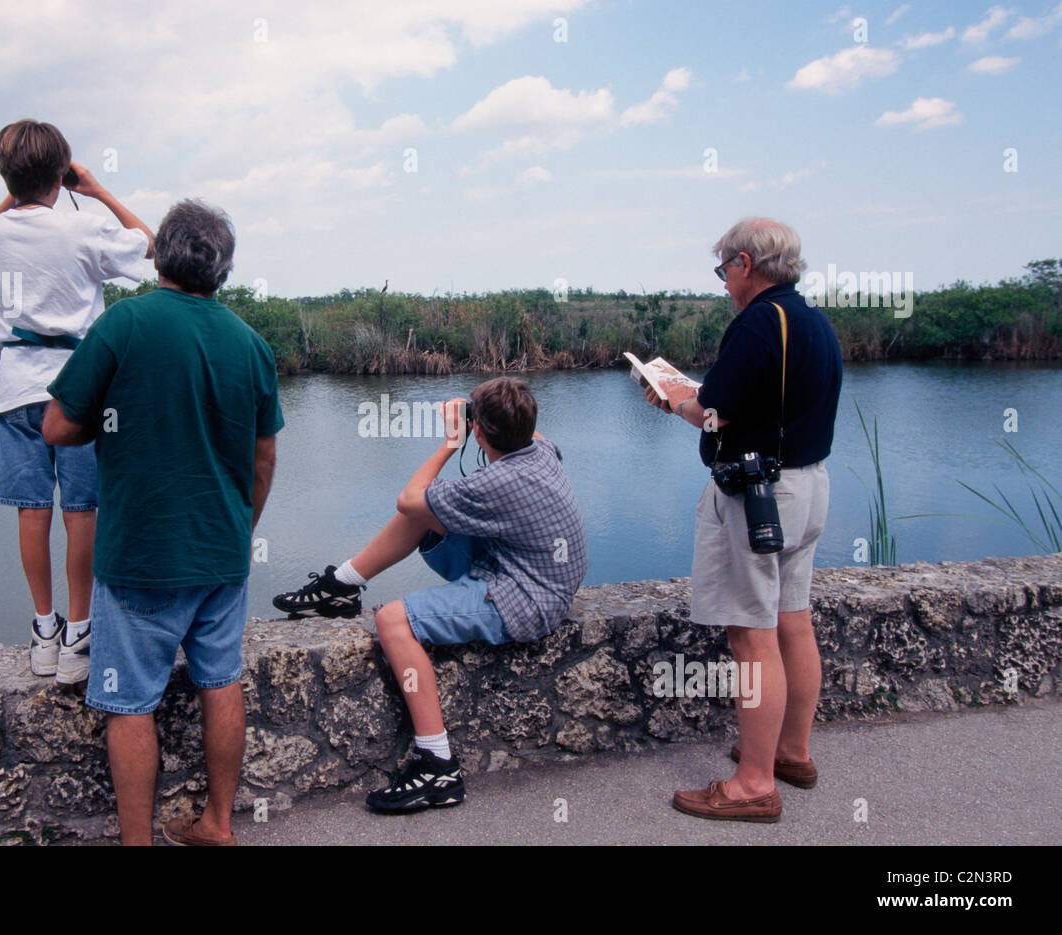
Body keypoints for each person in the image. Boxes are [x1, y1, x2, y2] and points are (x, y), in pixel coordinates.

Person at [42, 199, 282, 847]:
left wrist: (113, 418)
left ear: (161, 255)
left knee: (129, 704)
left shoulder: (126, 324)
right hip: (222, 556)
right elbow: (264, 459)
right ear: (223, 267)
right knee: (221, 681)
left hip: (140, 557)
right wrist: (241, 525)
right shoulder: (251, 345)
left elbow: (57, 426)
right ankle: (218, 824)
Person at [272, 377, 587, 812]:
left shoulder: (494, 484)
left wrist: (449, 441)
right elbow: (520, 429)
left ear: (478, 431)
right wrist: (486, 416)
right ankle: (343, 584)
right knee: (428, 513)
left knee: (392, 620)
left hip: (525, 597)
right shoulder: (542, 450)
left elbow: (408, 499)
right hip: (537, 573)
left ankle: (436, 764)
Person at [645, 217, 842, 822]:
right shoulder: (811, 320)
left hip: (760, 496)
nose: (724, 279)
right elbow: (761, 402)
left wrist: (674, 399)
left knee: (750, 634)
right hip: (808, 486)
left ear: (746, 263)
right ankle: (791, 753)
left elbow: (713, 414)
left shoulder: (758, 322)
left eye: (724, 267)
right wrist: (703, 402)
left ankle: (753, 784)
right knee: (791, 621)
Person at [0, 119, 154, 685]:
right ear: (61, 175)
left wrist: (18, 187)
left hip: (15, 387)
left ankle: (43, 628)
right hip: (76, 388)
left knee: (32, 510)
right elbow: (150, 245)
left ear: (5, 175)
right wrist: (95, 190)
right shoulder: (83, 228)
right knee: (81, 511)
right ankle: (80, 630)